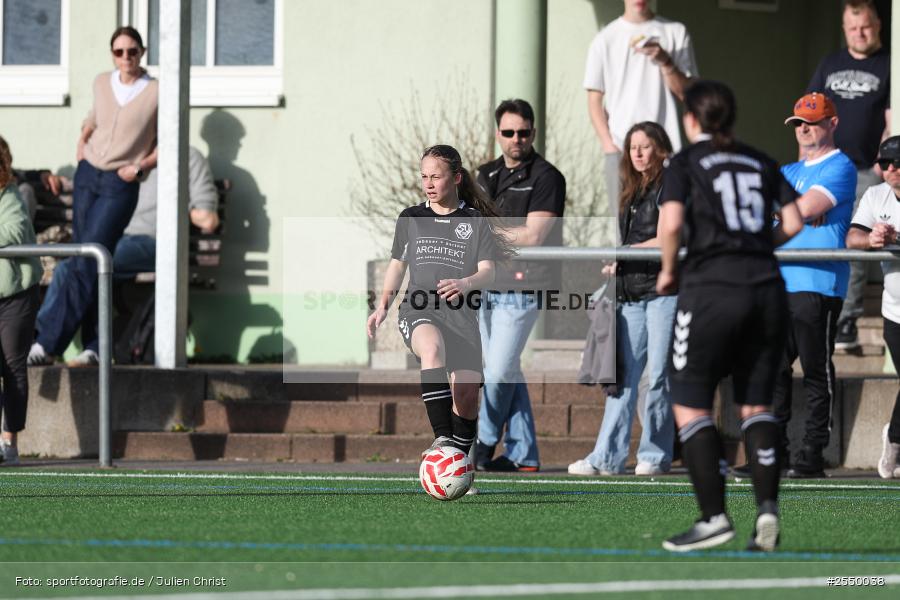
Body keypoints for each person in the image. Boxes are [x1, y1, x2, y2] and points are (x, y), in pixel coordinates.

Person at [656, 80, 804, 552]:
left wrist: (668, 270)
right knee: (757, 406)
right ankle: (767, 511)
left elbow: (671, 223)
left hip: (711, 289)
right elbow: (795, 221)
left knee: (690, 401)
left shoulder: (684, 162)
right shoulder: (760, 159)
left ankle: (714, 517)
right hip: (767, 289)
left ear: (691, 119)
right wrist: (756, 245)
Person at [367, 145, 511, 460]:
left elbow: (488, 272)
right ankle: (443, 438)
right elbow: (397, 266)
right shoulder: (411, 217)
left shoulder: (474, 220)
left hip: (461, 316)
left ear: (456, 178)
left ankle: (458, 462)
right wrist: (382, 307)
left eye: (436, 176)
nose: (429, 184)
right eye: (424, 177)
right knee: (432, 350)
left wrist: (465, 283)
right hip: (419, 308)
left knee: (467, 396)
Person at [27, 26, 158, 367]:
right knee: (89, 259)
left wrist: (140, 167)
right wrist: (82, 141)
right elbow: (93, 117)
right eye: (119, 52)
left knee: (90, 256)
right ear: (112, 54)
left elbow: (167, 141)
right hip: (88, 176)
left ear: (142, 53)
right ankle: (96, 346)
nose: (126, 58)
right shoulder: (102, 82)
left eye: (132, 51)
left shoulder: (155, 91)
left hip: (119, 183)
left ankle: (47, 343)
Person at [568, 121, 676, 477]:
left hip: (663, 292)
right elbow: (632, 243)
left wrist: (624, 252)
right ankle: (606, 458)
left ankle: (654, 456)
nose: (638, 153)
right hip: (631, 291)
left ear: (661, 148)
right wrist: (620, 261)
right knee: (622, 378)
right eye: (633, 147)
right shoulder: (631, 189)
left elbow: (666, 238)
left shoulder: (672, 184)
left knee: (657, 376)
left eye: (646, 146)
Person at [473, 99, 566, 473]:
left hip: (524, 286)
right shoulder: (485, 174)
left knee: (498, 371)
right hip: (484, 283)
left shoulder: (547, 176)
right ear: (498, 133)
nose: (516, 139)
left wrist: (485, 233)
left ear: (533, 133)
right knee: (504, 367)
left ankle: (482, 441)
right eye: (509, 132)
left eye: (523, 132)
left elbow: (533, 235)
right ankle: (524, 454)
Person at [772, 93, 856, 479]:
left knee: (815, 370)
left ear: (832, 124)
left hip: (818, 284)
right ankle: (773, 451)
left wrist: (792, 212)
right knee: (773, 369)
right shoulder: (787, 170)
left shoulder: (840, 166)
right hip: (779, 283)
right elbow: (766, 212)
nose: (804, 129)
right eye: (798, 124)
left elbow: (805, 210)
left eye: (812, 122)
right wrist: (795, 212)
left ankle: (812, 453)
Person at [808, 0, 891, 350]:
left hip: (866, 170)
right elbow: (810, 115)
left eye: (865, 26)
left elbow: (891, 116)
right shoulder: (829, 64)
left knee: (855, 241)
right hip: (827, 167)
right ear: (844, 29)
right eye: (853, 27)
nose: (859, 33)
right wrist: (807, 162)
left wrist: (883, 159)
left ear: (878, 25)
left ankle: (847, 319)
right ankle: (822, 311)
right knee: (821, 236)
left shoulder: (889, 64)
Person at [583, 0, 697, 218]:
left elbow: (688, 95)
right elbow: (594, 100)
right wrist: (609, 146)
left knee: (670, 224)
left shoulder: (675, 32)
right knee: (625, 226)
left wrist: (665, 61)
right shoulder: (605, 38)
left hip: (666, 151)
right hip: (622, 151)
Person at [844, 135, 900, 479]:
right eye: (885, 163)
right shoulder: (875, 194)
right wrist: (872, 239)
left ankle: (894, 437)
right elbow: (852, 237)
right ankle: (894, 437)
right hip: (895, 309)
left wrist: (894, 239)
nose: (891, 169)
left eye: (898, 163)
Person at [0, 137, 44, 465]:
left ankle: (9, 443)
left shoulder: (10, 195)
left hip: (16, 295)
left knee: (13, 367)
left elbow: (14, 230)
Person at [112, 146, 219, 278]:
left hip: (155, 241)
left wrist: (171, 204)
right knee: (95, 253)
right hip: (118, 237)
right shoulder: (126, 152)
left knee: (102, 256)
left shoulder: (187, 156)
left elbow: (208, 220)